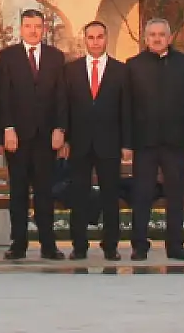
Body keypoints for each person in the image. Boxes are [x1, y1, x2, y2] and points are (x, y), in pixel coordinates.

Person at [126, 18, 184, 261]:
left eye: (161, 34)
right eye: (152, 34)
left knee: (176, 194)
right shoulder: (134, 65)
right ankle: (139, 245)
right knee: (142, 194)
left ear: (170, 37)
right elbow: (127, 108)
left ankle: (175, 245)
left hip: (175, 140)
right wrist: (127, 142)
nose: (157, 38)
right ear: (145, 38)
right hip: (144, 141)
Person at [0, 8, 68, 260]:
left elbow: (61, 96)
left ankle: (48, 245)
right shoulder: (7, 56)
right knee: (18, 192)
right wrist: (7, 129)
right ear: (21, 28)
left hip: (46, 137)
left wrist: (60, 128)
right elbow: (3, 95)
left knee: (45, 192)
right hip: (18, 136)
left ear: (44, 28)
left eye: (38, 26)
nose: (33, 30)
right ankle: (18, 244)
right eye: (28, 26)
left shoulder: (56, 57)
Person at [60, 20, 130, 260]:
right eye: (91, 37)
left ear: (106, 39)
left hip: (109, 142)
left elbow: (126, 110)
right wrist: (65, 138)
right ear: (85, 40)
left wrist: (126, 143)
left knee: (110, 196)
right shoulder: (71, 70)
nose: (96, 41)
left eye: (100, 37)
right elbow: (64, 107)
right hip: (78, 143)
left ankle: (110, 246)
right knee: (79, 195)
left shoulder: (121, 71)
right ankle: (79, 247)